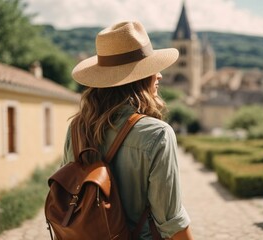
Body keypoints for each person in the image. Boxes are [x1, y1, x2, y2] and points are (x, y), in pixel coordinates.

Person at [62, 21, 194, 240]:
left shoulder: (76, 128)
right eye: (153, 69)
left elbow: (66, 193)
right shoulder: (158, 134)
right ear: (140, 78)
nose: (159, 75)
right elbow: (171, 222)